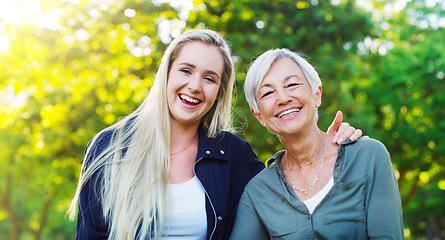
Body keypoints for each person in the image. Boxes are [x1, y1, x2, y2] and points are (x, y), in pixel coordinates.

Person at [68, 29, 362, 240]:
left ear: (219, 92)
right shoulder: (111, 147)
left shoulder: (234, 155)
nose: (195, 86)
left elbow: (288, 195)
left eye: (209, 78)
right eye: (186, 71)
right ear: (167, 75)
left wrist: (331, 146)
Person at [230, 48, 404, 239]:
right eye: (268, 93)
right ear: (259, 115)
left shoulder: (369, 156)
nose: (283, 98)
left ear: (317, 94)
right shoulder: (257, 191)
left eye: (292, 84)